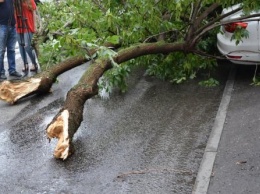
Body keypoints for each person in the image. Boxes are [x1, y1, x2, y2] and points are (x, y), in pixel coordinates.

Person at [0, 0, 22, 80]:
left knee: (11, 49)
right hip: (2, 25)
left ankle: (12, 70)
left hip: (12, 25)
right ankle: (1, 72)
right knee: (1, 50)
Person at [14, 0, 38, 73]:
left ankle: (34, 63)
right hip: (18, 26)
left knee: (27, 46)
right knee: (21, 46)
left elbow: (34, 13)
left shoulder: (30, 0)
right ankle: (25, 64)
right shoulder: (15, 1)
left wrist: (35, 26)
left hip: (28, 26)